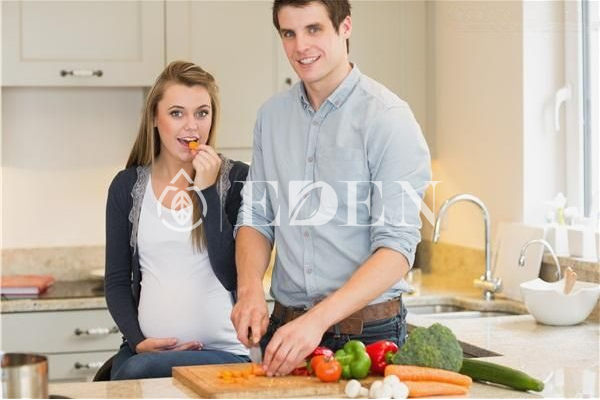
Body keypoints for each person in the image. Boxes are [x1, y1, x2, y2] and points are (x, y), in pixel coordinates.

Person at [231, 0, 432, 376]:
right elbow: (257, 216)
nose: (300, 47)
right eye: (289, 33)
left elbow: (397, 247)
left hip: (369, 337)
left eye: (314, 29)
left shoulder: (389, 119)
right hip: (287, 331)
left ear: (345, 28)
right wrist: (250, 290)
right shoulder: (271, 118)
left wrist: (317, 320)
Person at [105, 61, 250, 380]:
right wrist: (139, 342)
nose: (192, 126)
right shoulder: (127, 186)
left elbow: (233, 274)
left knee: (131, 374)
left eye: (201, 113)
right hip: (146, 354)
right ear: (155, 119)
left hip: (226, 353)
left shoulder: (238, 180)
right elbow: (116, 281)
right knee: (122, 373)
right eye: (176, 113)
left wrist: (208, 190)